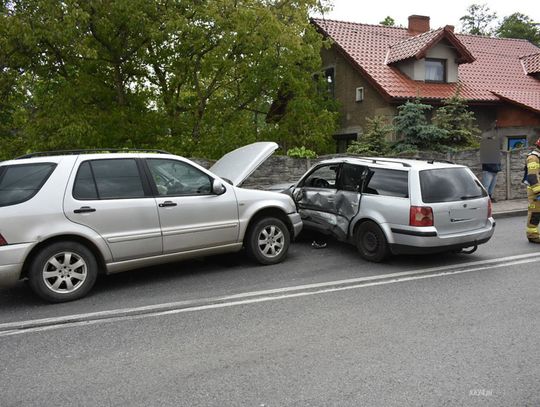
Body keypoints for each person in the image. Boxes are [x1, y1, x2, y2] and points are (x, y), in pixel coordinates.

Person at [525, 138, 540, 243]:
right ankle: (532, 235)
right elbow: (532, 176)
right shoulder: (533, 158)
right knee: (535, 213)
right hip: (535, 191)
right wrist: (538, 191)